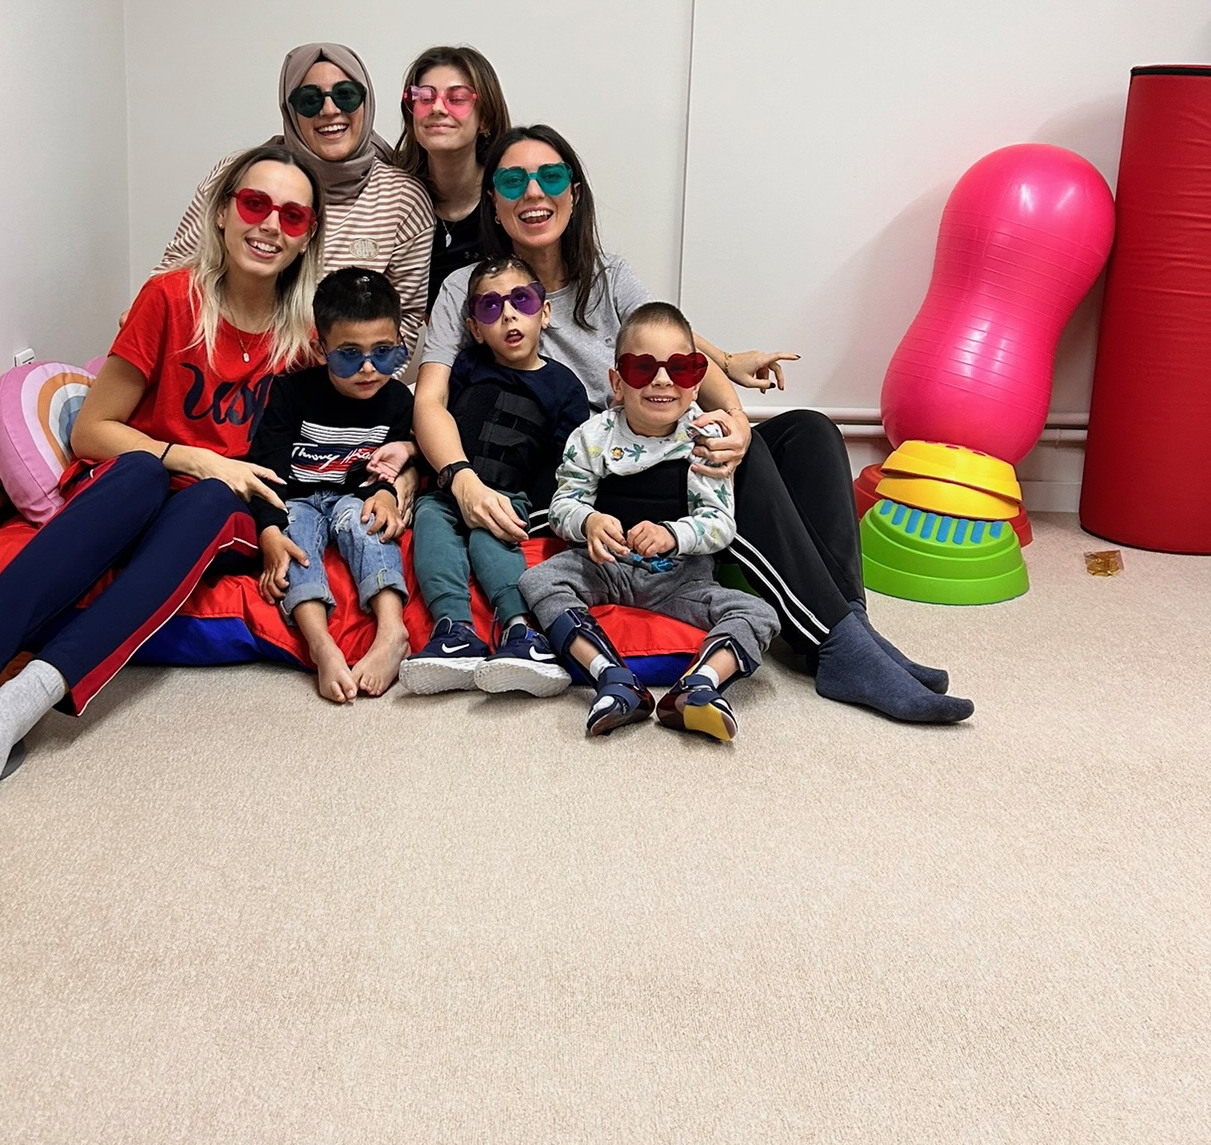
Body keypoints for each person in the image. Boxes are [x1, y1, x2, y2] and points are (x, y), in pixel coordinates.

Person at [415, 124, 974, 725]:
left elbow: (673, 339)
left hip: (660, 438)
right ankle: (839, 645)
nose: (533, 193)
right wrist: (460, 478)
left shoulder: (605, 275)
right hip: (607, 468)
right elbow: (430, 400)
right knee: (737, 461)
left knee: (811, 432)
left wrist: (734, 416)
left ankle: (851, 627)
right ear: (493, 201)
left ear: (573, 193)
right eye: (512, 181)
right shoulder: (471, 290)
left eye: (550, 177)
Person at [0, 144, 324, 823]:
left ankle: (10, 712)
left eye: (292, 215)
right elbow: (93, 431)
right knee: (142, 471)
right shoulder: (169, 298)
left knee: (215, 497)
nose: (271, 224)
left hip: (225, 512)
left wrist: (283, 518)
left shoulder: (305, 336)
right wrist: (192, 457)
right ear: (223, 213)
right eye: (255, 204)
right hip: (141, 483)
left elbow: (317, 447)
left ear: (307, 236)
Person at [519, 301, 778, 741]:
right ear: (618, 383)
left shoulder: (707, 439)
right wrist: (589, 521)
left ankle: (700, 685)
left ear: (696, 383)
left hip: (680, 580)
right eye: (642, 368)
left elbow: (720, 524)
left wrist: (673, 535)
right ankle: (612, 677)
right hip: (606, 567)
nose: (661, 380)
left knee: (759, 613)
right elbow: (563, 504)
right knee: (536, 580)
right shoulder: (593, 436)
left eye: (679, 369)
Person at [161, 42, 436, 351]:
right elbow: (177, 272)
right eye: (309, 100)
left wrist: (361, 373)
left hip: (340, 376)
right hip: (219, 358)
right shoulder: (239, 175)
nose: (329, 110)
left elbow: (404, 321)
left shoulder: (403, 199)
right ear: (290, 110)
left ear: (366, 100)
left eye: (345, 95)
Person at [400, 254, 588, 697]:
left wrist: (533, 510)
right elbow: (437, 418)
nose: (508, 315)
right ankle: (454, 631)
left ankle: (521, 631)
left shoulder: (564, 386)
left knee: (492, 535)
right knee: (430, 524)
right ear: (474, 328)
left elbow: (566, 462)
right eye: (490, 307)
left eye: (521, 301)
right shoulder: (467, 368)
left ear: (544, 312)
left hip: (511, 494)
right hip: (447, 491)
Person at [250, 268, 415, 704]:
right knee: (295, 541)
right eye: (349, 355)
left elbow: (399, 463)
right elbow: (265, 468)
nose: (368, 368)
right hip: (296, 498)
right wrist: (268, 529)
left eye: (384, 353)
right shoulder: (290, 393)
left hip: (352, 496)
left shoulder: (399, 400)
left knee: (368, 524)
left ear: (400, 343)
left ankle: (392, 631)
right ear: (321, 348)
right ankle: (321, 644)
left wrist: (386, 493)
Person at [391, 44, 512, 311]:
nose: (437, 108)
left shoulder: (510, 197)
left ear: (485, 119)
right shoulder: (391, 198)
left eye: (456, 98)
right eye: (424, 98)